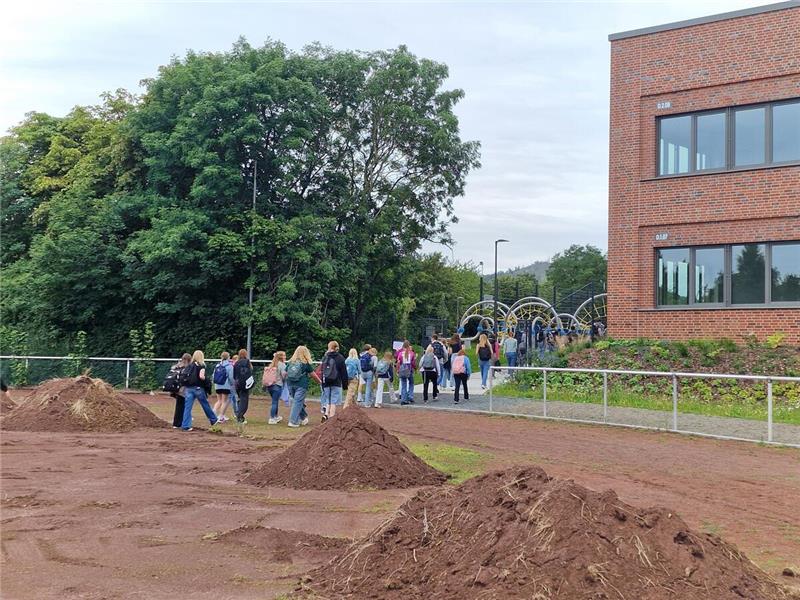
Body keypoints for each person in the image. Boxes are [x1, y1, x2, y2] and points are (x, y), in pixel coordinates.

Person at [181, 350, 218, 431]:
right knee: (205, 405)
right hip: (198, 388)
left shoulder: (190, 365)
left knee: (187, 407)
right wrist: (207, 380)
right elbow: (201, 376)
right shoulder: (201, 366)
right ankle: (213, 419)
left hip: (188, 388)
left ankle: (185, 425)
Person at [285, 345, 315, 427]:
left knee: (297, 401)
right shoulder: (305, 363)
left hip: (290, 384)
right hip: (301, 385)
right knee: (297, 402)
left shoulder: (291, 362)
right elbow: (313, 374)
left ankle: (303, 417)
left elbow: (285, 373)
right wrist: (320, 381)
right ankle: (293, 422)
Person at [320, 341, 348, 420]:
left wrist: (322, 382)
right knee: (333, 400)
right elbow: (344, 372)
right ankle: (331, 416)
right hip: (336, 381)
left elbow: (322, 371)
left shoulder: (325, 357)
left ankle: (326, 414)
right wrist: (345, 385)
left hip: (326, 382)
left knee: (327, 399)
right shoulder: (340, 358)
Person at [262, 350, 287, 425]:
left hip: (270, 386)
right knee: (275, 402)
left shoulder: (271, 364)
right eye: (284, 355)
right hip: (277, 385)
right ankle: (272, 418)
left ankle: (275, 416)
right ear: (281, 357)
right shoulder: (282, 365)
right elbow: (283, 375)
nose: (285, 357)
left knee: (274, 401)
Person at [167, 353, 191, 428]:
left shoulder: (175, 366)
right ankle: (182, 423)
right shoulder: (187, 367)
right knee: (184, 406)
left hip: (175, 389)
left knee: (179, 406)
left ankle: (176, 423)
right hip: (183, 389)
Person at [211, 352, 235, 423]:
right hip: (226, 385)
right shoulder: (229, 366)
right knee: (224, 401)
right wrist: (232, 384)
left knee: (219, 401)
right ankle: (221, 416)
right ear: (228, 357)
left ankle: (212, 414)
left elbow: (213, 375)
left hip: (217, 385)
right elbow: (231, 377)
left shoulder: (218, 365)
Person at [233, 349, 254, 425]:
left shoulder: (236, 363)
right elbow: (250, 372)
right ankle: (240, 416)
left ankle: (239, 414)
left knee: (240, 399)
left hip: (238, 384)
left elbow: (234, 375)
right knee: (244, 401)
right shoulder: (247, 362)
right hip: (245, 384)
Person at [395, 340, 416, 405]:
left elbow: (398, 362)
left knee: (404, 384)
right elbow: (413, 363)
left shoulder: (400, 353)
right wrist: (415, 368)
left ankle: (403, 399)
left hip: (402, 369)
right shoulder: (412, 353)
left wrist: (397, 370)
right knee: (411, 383)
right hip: (409, 369)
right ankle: (410, 396)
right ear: (409, 345)